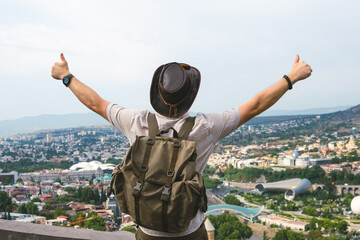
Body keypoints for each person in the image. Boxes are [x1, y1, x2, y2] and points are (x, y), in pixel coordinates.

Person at [51, 53, 312, 239]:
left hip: (147, 230)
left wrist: (66, 76)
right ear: (190, 97)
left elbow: (95, 102)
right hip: (187, 231)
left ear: (157, 94)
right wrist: (291, 78)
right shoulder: (206, 127)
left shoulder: (135, 121)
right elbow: (255, 105)